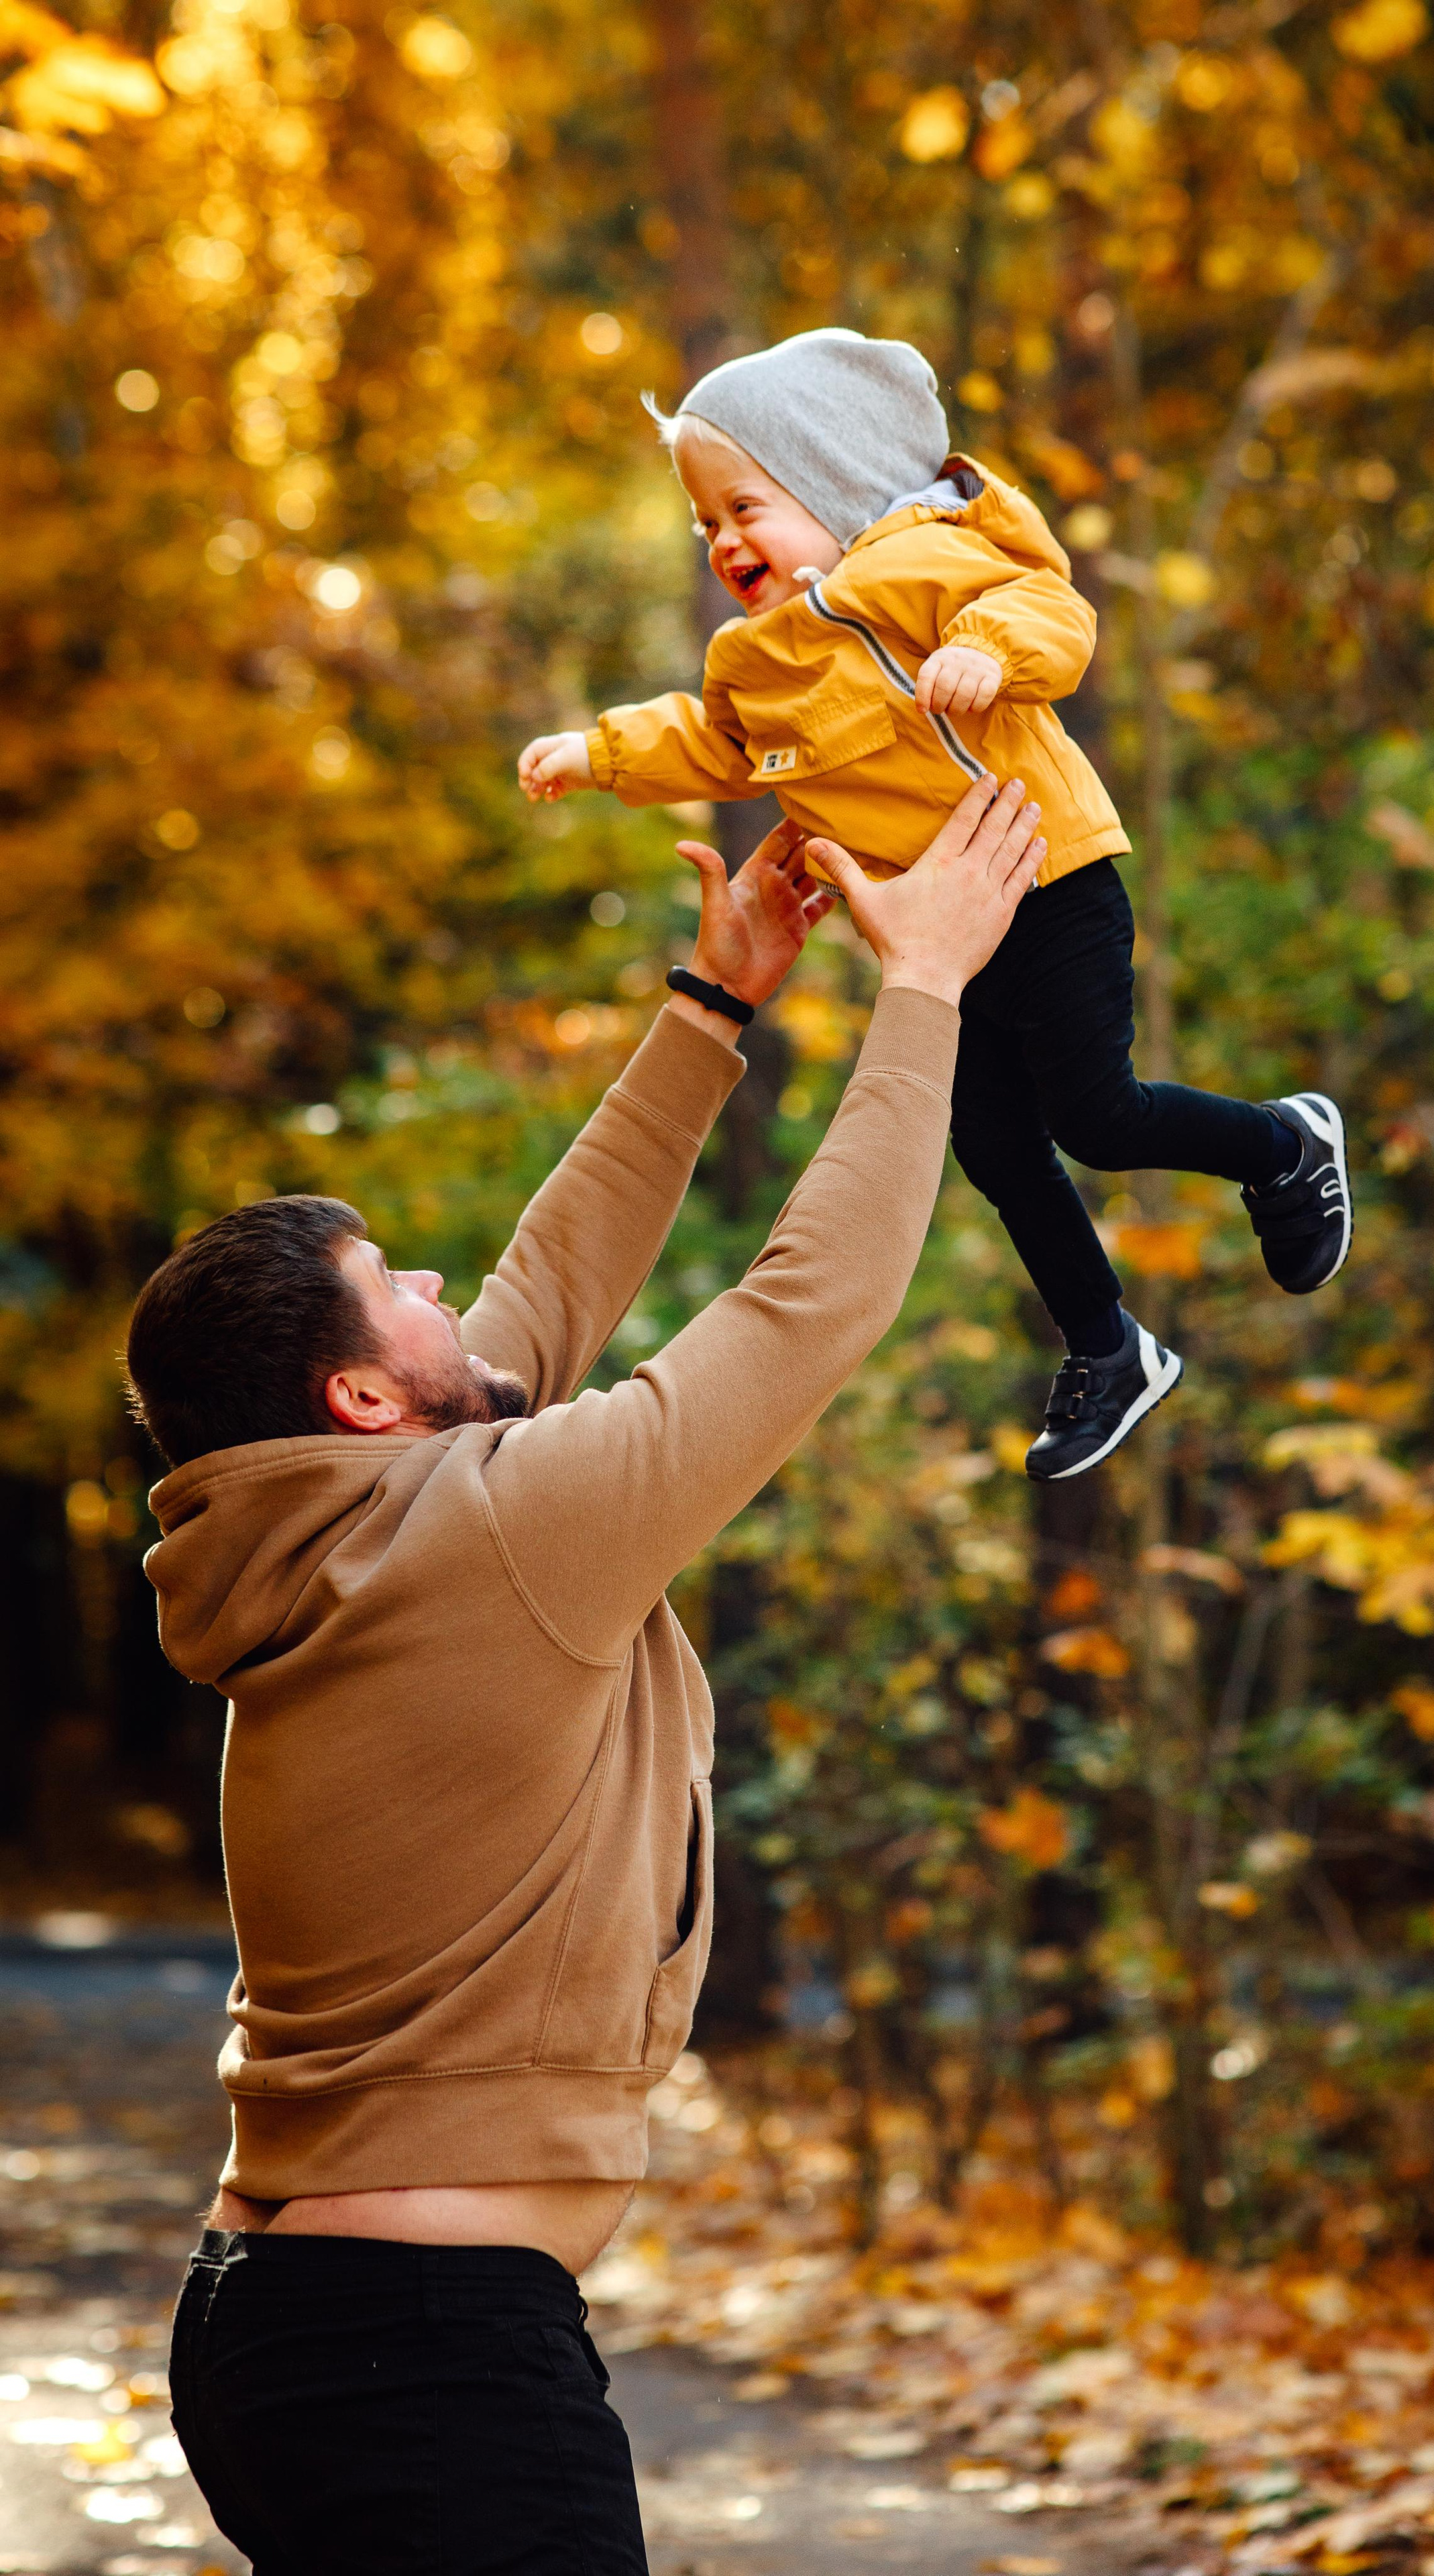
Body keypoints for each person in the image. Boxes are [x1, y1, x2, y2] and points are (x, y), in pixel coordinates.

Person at [127, 778, 1046, 2576]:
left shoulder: (330, 1535)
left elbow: (538, 1301)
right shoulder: (489, 1538)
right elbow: (802, 1312)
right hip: (426, 2371)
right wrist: (922, 988)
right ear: (363, 1403)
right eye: (400, 1286)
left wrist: (713, 1012)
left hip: (301, 2335)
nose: (451, 1284)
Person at [518, 327, 1352, 1483]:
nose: (724, 541)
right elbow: (710, 741)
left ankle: (1284, 1142)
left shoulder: (923, 562)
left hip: (1045, 875)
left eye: (745, 506)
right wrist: (597, 751)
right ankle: (1109, 1348)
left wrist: (986, 650)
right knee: (997, 1145)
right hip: (943, 938)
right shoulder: (753, 664)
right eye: (706, 523)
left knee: (1096, 1116)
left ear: (835, 484)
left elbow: (1053, 612)